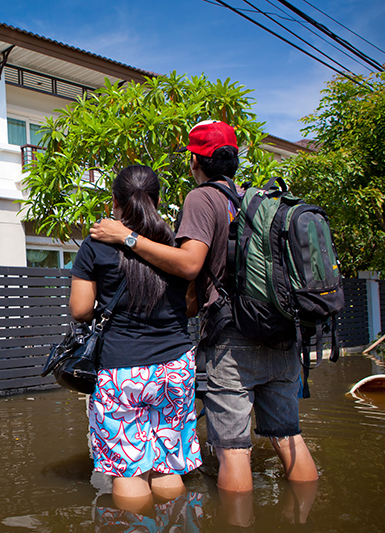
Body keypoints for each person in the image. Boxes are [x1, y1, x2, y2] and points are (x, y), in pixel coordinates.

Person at [90, 121, 318, 520]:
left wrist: (126, 238)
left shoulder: (203, 198)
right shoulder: (254, 200)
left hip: (235, 336)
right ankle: (307, 518)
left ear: (197, 160)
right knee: (288, 437)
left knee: (233, 448)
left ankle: (236, 526)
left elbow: (191, 264)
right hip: (280, 331)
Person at [69, 165, 201, 513]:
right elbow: (191, 305)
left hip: (122, 369)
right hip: (176, 366)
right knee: (168, 466)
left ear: (115, 201)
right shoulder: (175, 245)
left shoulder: (96, 245)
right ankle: (174, 521)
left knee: (129, 471)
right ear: (156, 200)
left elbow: (80, 310)